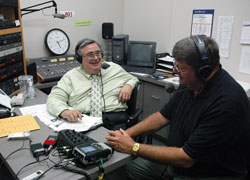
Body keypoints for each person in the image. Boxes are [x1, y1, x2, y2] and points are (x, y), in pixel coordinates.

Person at [106, 35, 250, 180]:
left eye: (180, 68)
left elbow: (186, 158)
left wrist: (133, 147)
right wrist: (125, 135)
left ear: (203, 71)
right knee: (123, 168)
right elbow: (162, 117)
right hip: (178, 161)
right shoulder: (191, 83)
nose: (175, 72)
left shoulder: (227, 103)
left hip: (207, 173)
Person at [46, 38, 139, 130]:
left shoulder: (114, 68)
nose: (96, 58)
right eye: (90, 55)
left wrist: (129, 85)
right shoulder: (70, 77)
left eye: (98, 53)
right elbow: (54, 98)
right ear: (80, 59)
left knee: (111, 144)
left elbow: (133, 78)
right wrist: (64, 111)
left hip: (115, 120)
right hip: (83, 120)